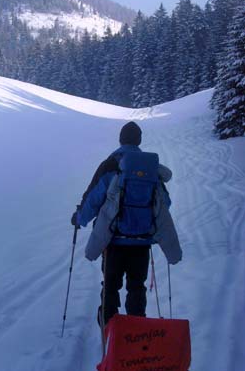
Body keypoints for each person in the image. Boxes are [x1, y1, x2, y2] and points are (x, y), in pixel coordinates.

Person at [71, 121, 180, 326]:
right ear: (139, 141)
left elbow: (94, 198)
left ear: (120, 139)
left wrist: (79, 218)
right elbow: (166, 203)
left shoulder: (110, 164)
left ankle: (109, 329)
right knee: (136, 287)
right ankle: (135, 333)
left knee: (110, 286)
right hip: (141, 243)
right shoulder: (150, 169)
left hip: (113, 241)